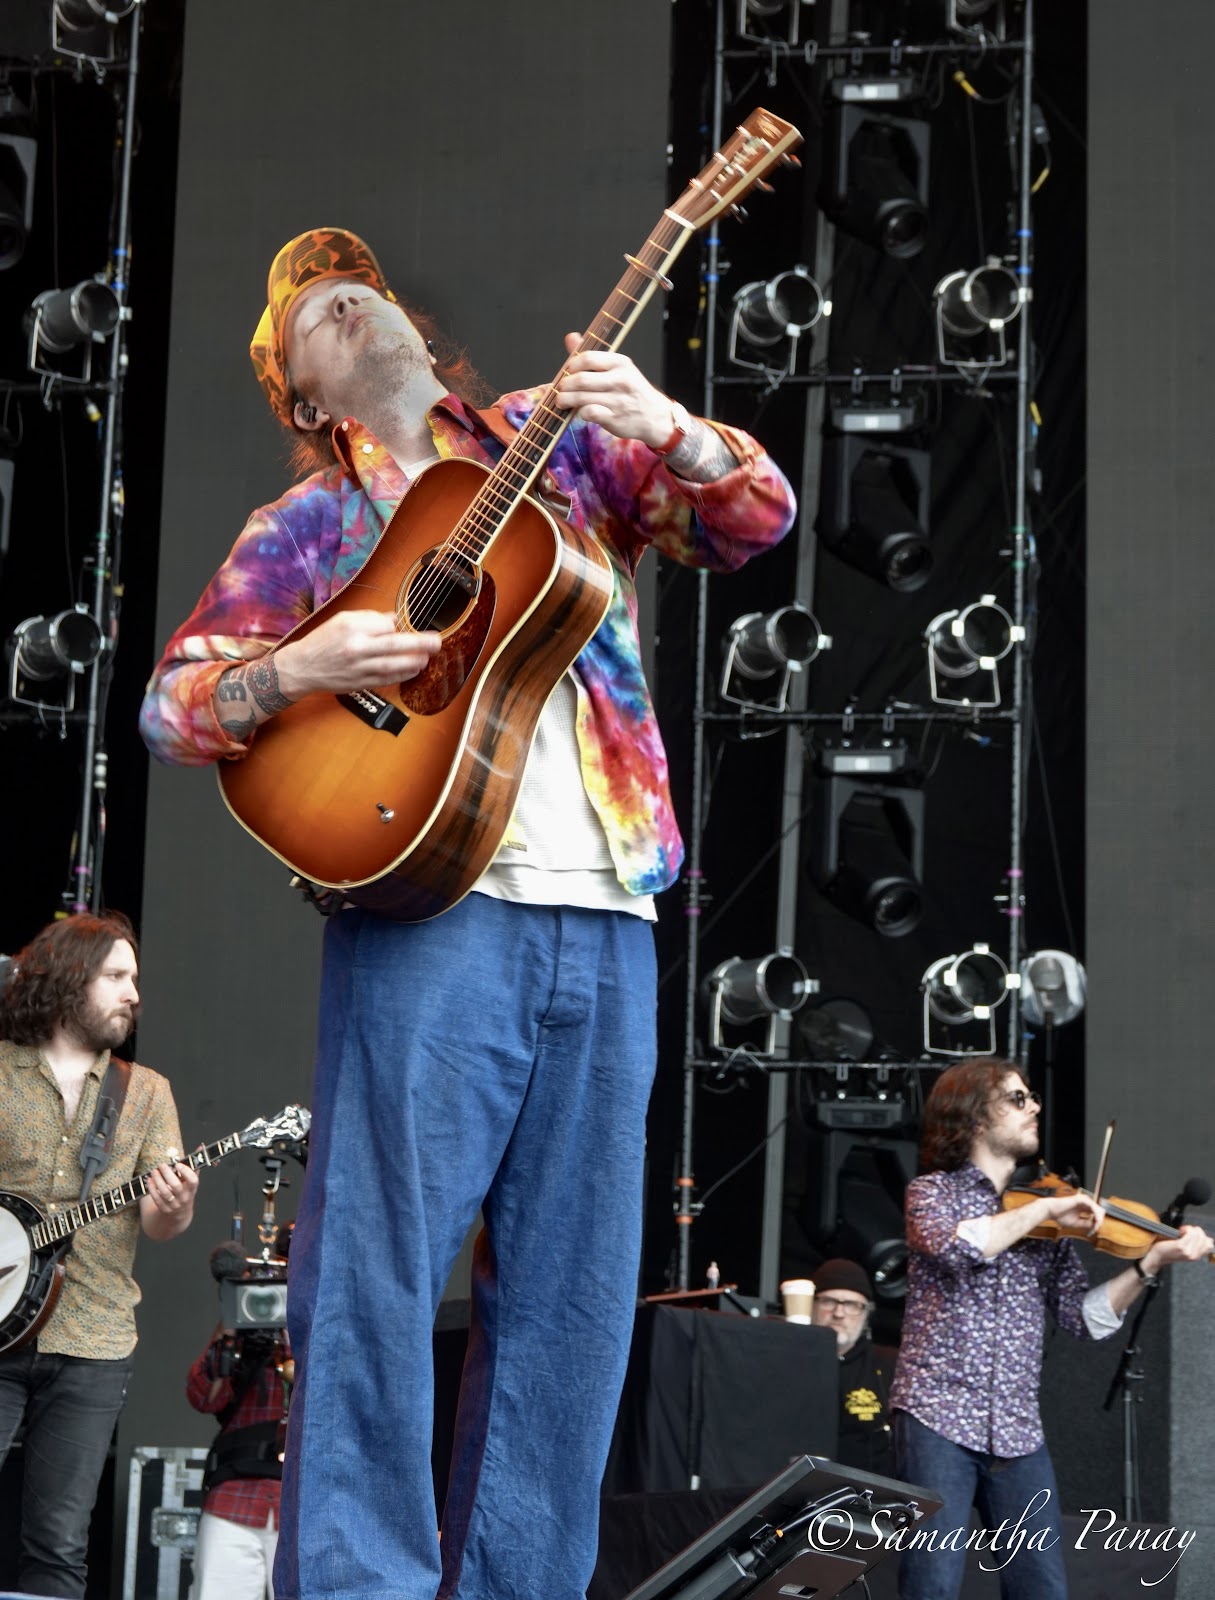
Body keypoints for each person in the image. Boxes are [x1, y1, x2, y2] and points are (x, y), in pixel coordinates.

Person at [139, 227, 796, 1600]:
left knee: (567, 1300)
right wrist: (294, 663)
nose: (349, 296)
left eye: (360, 284)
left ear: (413, 330)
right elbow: (170, 704)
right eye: (315, 307)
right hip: (432, 914)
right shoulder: (307, 530)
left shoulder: (551, 445)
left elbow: (751, 520)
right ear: (303, 397)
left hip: (607, 911)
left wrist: (668, 427)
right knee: (371, 1280)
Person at [889, 1056, 1213, 1600]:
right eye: (1018, 1099)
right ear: (974, 1118)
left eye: (1032, 1096)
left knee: (1043, 1590)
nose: (1034, 1106)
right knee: (932, 1587)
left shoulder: (1049, 1212)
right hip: (936, 1415)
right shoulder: (933, 1194)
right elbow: (956, 1247)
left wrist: (1149, 1264)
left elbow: (1083, 1320)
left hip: (1018, 1431)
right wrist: (1042, 1216)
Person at [0, 910, 198, 1599]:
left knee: (57, 1545)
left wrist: (174, 1207)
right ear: (67, 979)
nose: (133, 992)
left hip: (94, 1338)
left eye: (135, 978)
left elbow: (162, 1224)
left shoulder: (146, 1095)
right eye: (116, 976)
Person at [186, 1318, 291, 1600]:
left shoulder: (326, 1316)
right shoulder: (242, 1332)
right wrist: (229, 1328)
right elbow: (202, 1398)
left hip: (307, 1506)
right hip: (235, 1498)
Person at [810, 1257, 895, 1476]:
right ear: (811, 1305)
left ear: (866, 1313)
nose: (839, 1313)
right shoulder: (786, 1360)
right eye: (828, 1301)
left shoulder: (888, 1364)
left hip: (867, 1496)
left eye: (851, 1305)